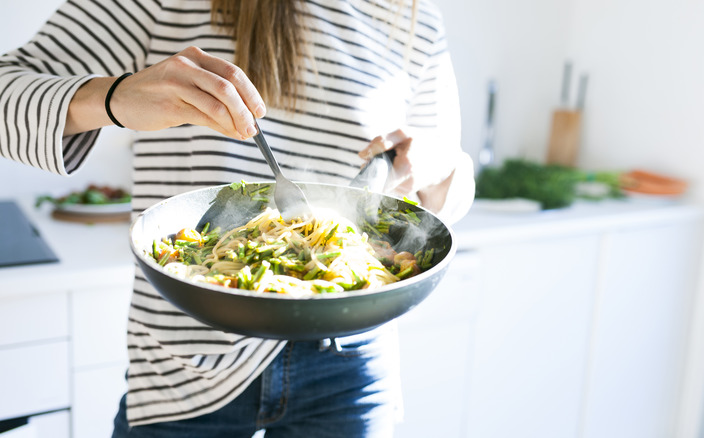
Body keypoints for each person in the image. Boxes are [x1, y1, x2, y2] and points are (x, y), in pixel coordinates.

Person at [0, 0, 474, 436]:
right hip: (186, 365)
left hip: (349, 363)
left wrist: (443, 166)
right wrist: (115, 97)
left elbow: (445, 192)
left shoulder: (412, 14)